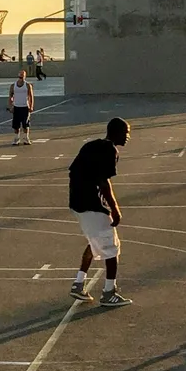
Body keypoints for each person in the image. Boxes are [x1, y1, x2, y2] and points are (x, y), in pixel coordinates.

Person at [67, 117, 133, 307]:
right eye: (126, 132)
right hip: (91, 205)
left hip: (77, 203)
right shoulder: (109, 150)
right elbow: (104, 182)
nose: (128, 136)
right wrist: (115, 209)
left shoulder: (90, 146)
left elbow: (74, 172)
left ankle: (78, 284)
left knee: (94, 242)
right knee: (112, 248)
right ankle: (109, 292)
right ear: (116, 132)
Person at [8, 70, 36, 145]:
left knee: (25, 124)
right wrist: (11, 106)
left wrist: (31, 106)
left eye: (22, 76)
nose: (21, 78)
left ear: (25, 77)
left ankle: (26, 138)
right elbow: (10, 96)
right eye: (20, 76)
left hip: (25, 107)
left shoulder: (27, 85)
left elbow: (31, 96)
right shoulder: (13, 86)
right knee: (16, 125)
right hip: (16, 107)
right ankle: (16, 138)